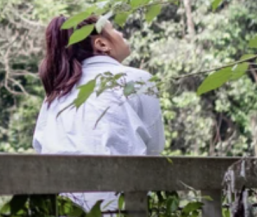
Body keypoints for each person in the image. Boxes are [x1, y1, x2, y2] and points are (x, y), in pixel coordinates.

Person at [33, 14, 164, 213]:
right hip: (118, 206)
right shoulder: (137, 80)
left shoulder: (56, 94)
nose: (120, 33)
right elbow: (154, 149)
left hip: (64, 207)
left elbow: (40, 146)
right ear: (102, 44)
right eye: (114, 29)